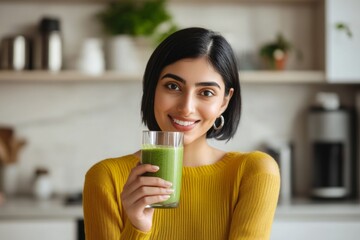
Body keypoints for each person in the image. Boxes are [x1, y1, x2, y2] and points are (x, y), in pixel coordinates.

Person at [83, 27, 280, 240]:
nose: (186, 107)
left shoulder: (255, 172)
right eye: (173, 86)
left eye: (206, 92)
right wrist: (138, 227)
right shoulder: (106, 178)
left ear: (224, 101)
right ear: (152, 89)